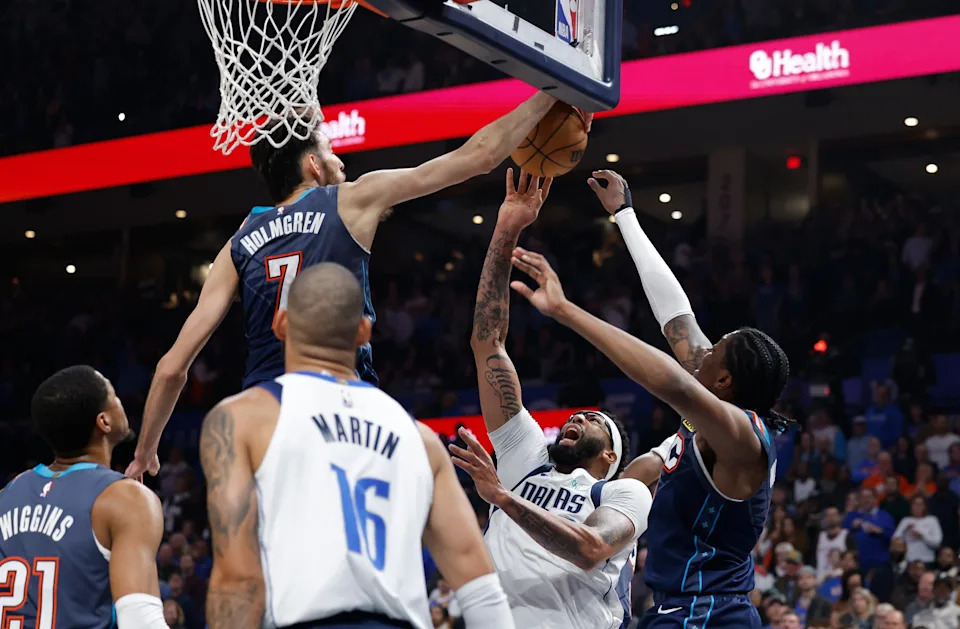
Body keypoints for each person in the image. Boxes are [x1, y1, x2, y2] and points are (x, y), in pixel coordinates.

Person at [126, 90, 577, 479]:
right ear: (312, 165)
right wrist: (546, 94)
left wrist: (145, 452)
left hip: (264, 416)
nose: (339, 159)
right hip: (343, 408)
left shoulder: (237, 243)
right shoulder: (352, 198)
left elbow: (172, 368)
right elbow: (477, 156)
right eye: (330, 151)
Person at [509, 170, 791, 628]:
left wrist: (565, 311)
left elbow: (672, 383)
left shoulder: (745, 438)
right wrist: (625, 216)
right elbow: (674, 315)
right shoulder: (709, 413)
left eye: (715, 346)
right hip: (674, 611)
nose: (701, 346)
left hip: (713, 615)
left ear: (723, 382)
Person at [196, 263, 514, 629]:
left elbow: (238, 580)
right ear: (364, 332)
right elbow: (481, 588)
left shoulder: (242, 419)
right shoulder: (421, 439)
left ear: (280, 324)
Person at [452, 172, 652, 629]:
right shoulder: (527, 458)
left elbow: (590, 549)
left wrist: (503, 498)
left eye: (594, 419)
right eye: (577, 414)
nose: (578, 416)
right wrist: (507, 227)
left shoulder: (623, 492)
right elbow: (488, 343)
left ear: (611, 453)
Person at [0, 365, 168, 628]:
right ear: (104, 421)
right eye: (115, 397)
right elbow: (140, 621)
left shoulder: (7, 494)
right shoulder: (123, 499)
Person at [843, 487, 895, 574]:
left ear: (875, 499)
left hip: (880, 564)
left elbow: (893, 536)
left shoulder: (884, 516)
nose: (866, 500)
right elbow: (841, 533)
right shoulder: (851, 516)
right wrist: (851, 526)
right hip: (857, 565)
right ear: (859, 500)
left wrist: (880, 531)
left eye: (869, 497)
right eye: (863, 497)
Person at [893, 495, 943, 564]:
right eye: (915, 504)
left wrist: (922, 536)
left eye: (920, 504)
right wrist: (905, 530)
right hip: (909, 560)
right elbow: (895, 540)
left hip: (927, 560)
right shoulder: (906, 521)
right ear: (911, 506)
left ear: (925, 506)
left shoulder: (932, 520)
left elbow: (937, 543)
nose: (917, 507)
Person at [816, 507, 851, 581]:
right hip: (821, 579)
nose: (831, 518)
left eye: (834, 515)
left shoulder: (847, 535)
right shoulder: (820, 536)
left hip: (840, 578)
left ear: (839, 517)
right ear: (825, 519)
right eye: (828, 516)